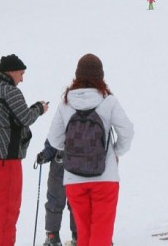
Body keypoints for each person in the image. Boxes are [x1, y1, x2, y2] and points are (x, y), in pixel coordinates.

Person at [47, 54, 134, 246]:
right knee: (101, 235)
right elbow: (127, 131)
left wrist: (72, 151)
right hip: (105, 178)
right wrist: (114, 153)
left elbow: (54, 139)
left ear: (77, 75)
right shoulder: (108, 101)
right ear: (100, 76)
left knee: (84, 235)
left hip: (74, 179)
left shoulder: (66, 103)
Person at [0, 54, 48, 246]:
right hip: (6, 161)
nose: (22, 79)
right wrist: (39, 108)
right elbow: (25, 118)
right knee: (7, 213)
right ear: (11, 71)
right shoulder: (10, 91)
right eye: (21, 74)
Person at [36, 140, 77, 246]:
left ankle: (77, 234)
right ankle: (53, 236)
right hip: (61, 174)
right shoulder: (61, 126)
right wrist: (44, 155)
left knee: (75, 204)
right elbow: (51, 146)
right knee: (55, 203)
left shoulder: (60, 125)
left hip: (73, 174)